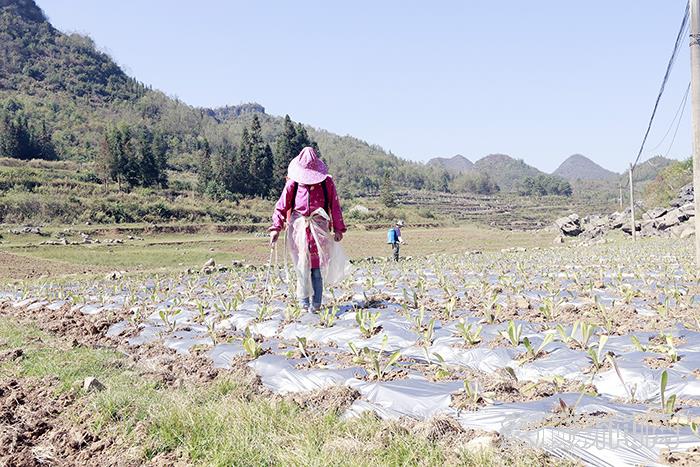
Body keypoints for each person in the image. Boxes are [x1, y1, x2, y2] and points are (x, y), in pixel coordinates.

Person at [269, 147, 350, 312]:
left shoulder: (327, 183)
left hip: (319, 228)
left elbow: (335, 205)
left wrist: (338, 229)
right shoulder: (294, 182)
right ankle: (304, 303)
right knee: (302, 266)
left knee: (317, 268)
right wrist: (276, 228)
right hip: (299, 228)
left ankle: (317, 303)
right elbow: (282, 205)